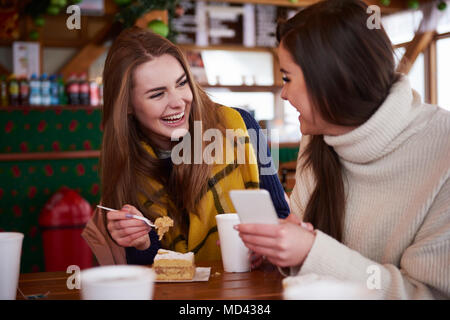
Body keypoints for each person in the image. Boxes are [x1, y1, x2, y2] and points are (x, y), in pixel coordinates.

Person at [236, 0, 450, 299]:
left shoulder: (443, 150)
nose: (283, 94)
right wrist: (281, 251)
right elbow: (311, 251)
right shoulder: (320, 136)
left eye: (287, 78)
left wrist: (311, 251)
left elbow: (427, 294)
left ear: (332, 80)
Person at [82, 27, 291, 267]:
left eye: (182, 84)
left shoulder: (241, 126)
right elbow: (151, 267)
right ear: (127, 105)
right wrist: (140, 243)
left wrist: (264, 247)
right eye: (157, 94)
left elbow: (280, 215)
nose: (178, 102)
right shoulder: (127, 166)